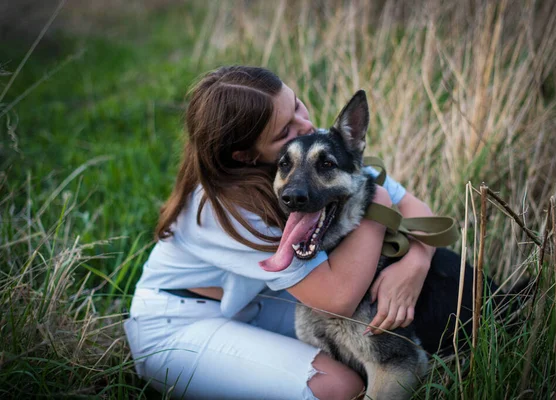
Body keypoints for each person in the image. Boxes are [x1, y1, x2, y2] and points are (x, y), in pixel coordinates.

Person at [124, 65, 436, 400]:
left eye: (297, 105)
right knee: (341, 387)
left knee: (370, 349)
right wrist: (378, 205)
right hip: (181, 324)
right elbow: (338, 300)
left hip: (258, 301)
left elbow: (422, 214)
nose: (306, 125)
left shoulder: (310, 149)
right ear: (246, 154)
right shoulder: (221, 209)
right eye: (285, 129)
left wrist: (414, 265)